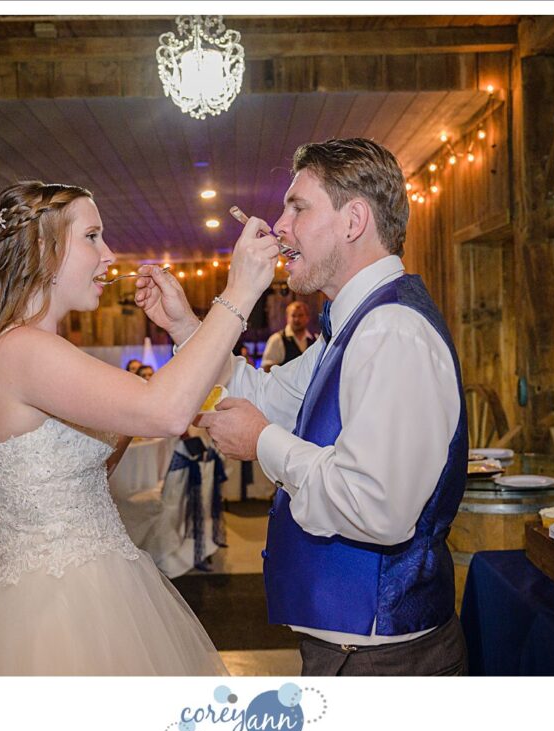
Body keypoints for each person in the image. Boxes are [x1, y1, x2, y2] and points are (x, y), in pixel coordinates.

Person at [0, 180, 277, 675]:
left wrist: (178, 332)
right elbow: (166, 412)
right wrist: (240, 290)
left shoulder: (35, 350)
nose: (109, 254)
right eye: (92, 236)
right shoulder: (25, 350)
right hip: (58, 604)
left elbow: (104, 455)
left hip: (94, 579)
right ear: (42, 251)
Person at [137, 138, 469, 677]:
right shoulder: (351, 326)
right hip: (350, 651)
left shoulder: (392, 331)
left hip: (388, 661)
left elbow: (376, 506)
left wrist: (263, 443)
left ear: (353, 220)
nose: (280, 227)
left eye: (298, 207)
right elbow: (266, 396)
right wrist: (183, 326)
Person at [260, 301, 316, 371]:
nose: (297, 319)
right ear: (287, 318)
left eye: (300, 315)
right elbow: (267, 368)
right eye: (293, 315)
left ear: (307, 318)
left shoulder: (316, 339)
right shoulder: (277, 339)